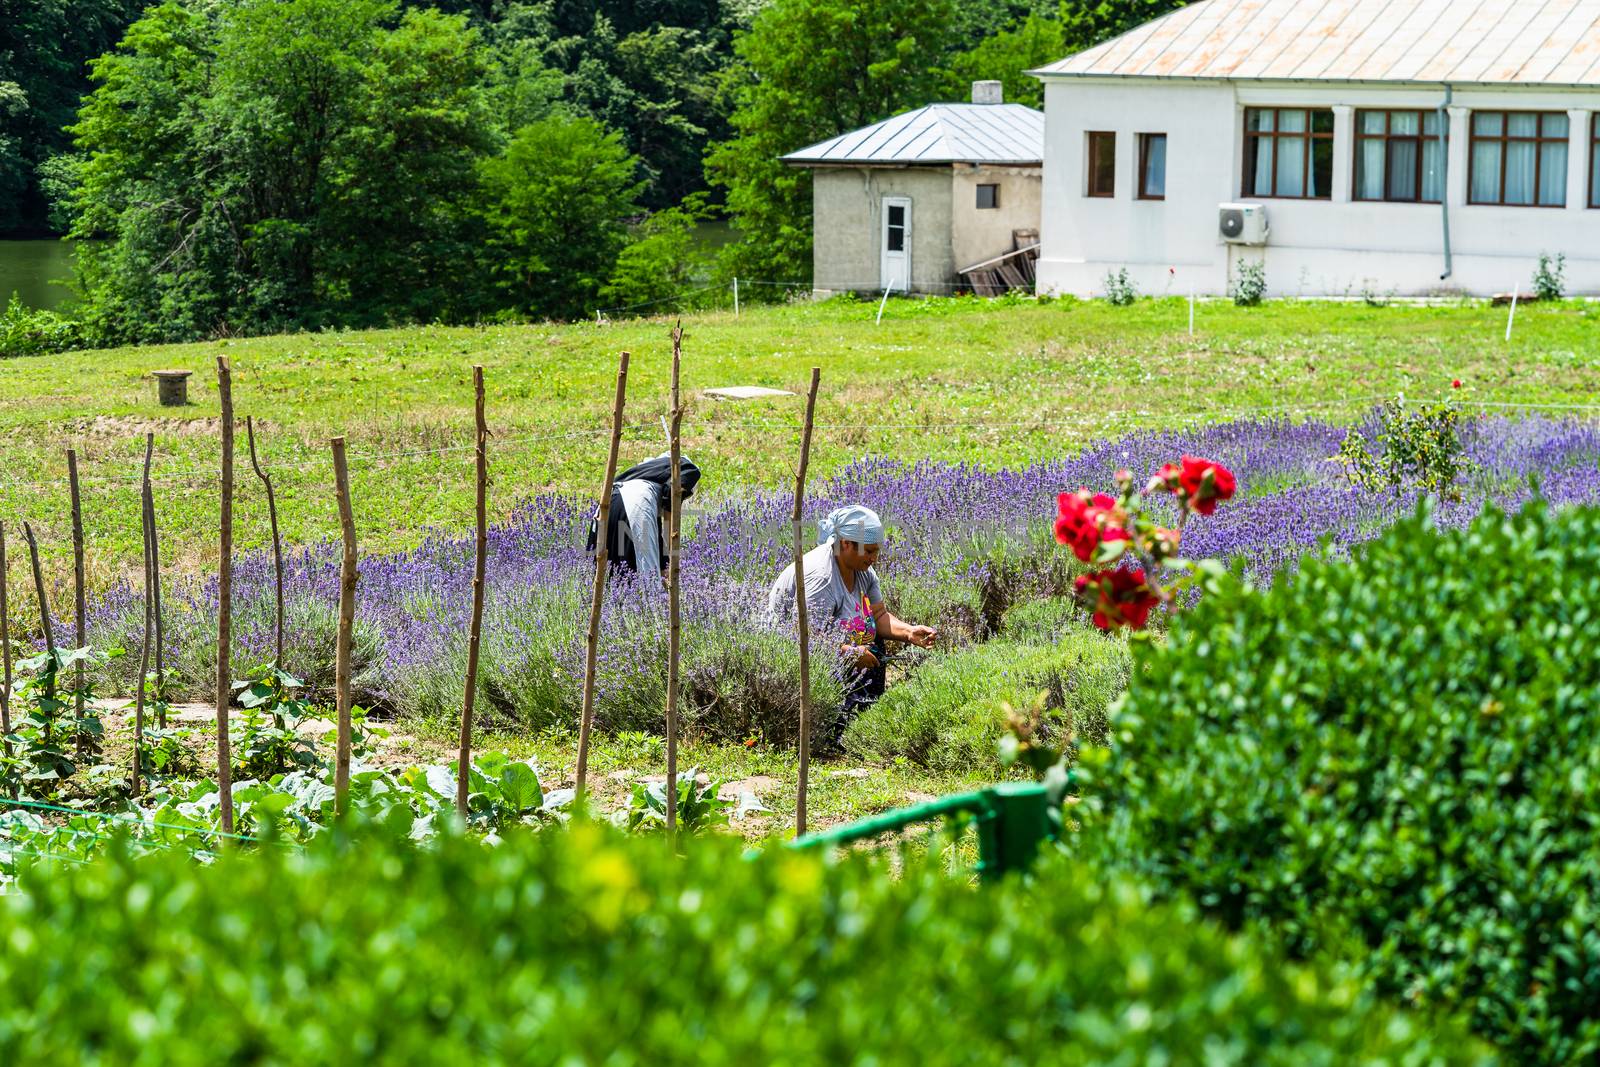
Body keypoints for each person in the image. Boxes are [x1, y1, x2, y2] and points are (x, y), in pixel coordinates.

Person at [767, 505, 937, 726]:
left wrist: (909, 632)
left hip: (836, 643)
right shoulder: (821, 579)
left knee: (874, 644)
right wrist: (851, 653)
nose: (874, 558)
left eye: (876, 550)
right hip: (793, 653)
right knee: (862, 653)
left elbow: (878, 615)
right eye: (868, 551)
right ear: (845, 544)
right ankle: (833, 726)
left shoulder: (862, 569)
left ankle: (865, 723)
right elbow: (806, 639)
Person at [587, 453, 701, 588]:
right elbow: (671, 495)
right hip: (636, 505)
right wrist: (671, 557)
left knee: (609, 577)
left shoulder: (647, 472)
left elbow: (656, 529)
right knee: (648, 584)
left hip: (607, 503)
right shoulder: (689, 469)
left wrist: (664, 563)